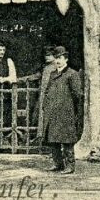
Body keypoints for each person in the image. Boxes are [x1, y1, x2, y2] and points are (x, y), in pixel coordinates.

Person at [37, 46, 84, 174]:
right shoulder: (53, 74)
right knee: (53, 140)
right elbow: (47, 91)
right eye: (56, 58)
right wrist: (46, 105)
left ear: (66, 59)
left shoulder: (72, 74)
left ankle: (70, 166)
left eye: (60, 58)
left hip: (66, 112)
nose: (58, 61)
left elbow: (78, 95)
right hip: (52, 112)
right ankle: (57, 163)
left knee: (67, 140)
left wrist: (71, 109)